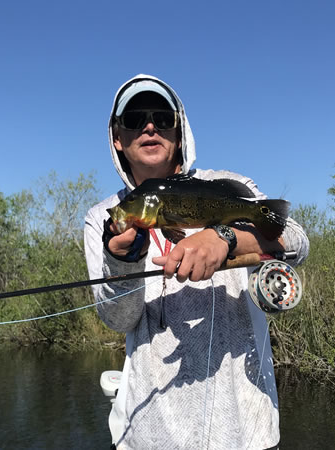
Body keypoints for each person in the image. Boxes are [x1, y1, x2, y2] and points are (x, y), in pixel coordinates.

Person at [83, 74, 309, 449]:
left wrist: (227, 237)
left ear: (180, 129)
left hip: (244, 429)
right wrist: (122, 260)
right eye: (135, 119)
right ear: (117, 139)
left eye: (163, 118)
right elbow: (118, 320)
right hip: (146, 431)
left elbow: (296, 241)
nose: (150, 126)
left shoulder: (228, 183)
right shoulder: (103, 217)